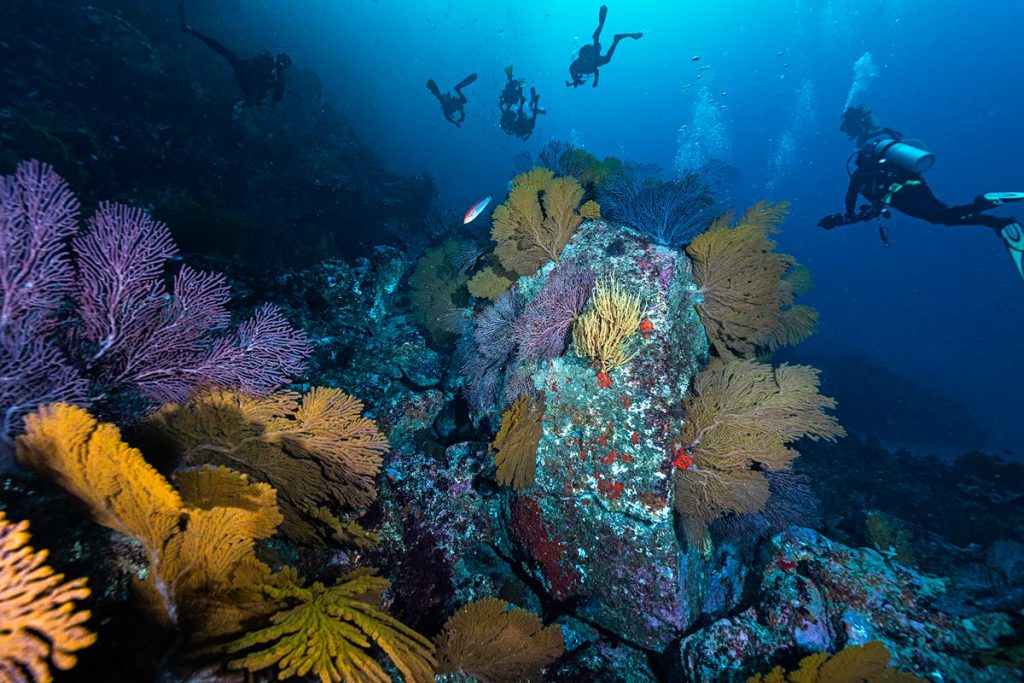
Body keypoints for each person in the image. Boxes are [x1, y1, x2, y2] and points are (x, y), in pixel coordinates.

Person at [819, 104, 1024, 281]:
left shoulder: (859, 176)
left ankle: (995, 217)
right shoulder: (883, 158)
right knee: (945, 213)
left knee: (943, 217)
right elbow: (895, 137)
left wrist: (844, 218)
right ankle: (990, 212)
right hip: (914, 181)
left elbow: (851, 202)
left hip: (903, 195)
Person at [178, 1, 291, 112]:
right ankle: (191, 30)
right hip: (244, 72)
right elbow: (249, 59)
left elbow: (276, 99)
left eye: (284, 63)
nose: (280, 62)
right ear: (277, 57)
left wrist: (280, 86)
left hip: (250, 84)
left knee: (226, 53)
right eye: (281, 58)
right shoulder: (268, 60)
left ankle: (240, 104)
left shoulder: (278, 78)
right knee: (225, 51)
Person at [566, 5, 642, 88]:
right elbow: (596, 71)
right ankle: (617, 39)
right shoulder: (584, 70)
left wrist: (577, 79)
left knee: (596, 39)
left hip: (590, 55)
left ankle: (601, 25)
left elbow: (571, 68)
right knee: (607, 58)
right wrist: (594, 81)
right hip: (595, 58)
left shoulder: (579, 67)